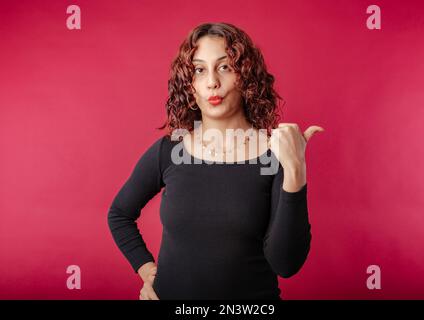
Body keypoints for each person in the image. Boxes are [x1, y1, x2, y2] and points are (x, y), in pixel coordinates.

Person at [107, 22, 324, 300]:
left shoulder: (277, 153)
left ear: (246, 76)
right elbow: (119, 215)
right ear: (190, 83)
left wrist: (296, 170)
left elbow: (286, 264)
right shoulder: (169, 150)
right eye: (199, 69)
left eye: (224, 67)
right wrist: (148, 272)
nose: (212, 81)